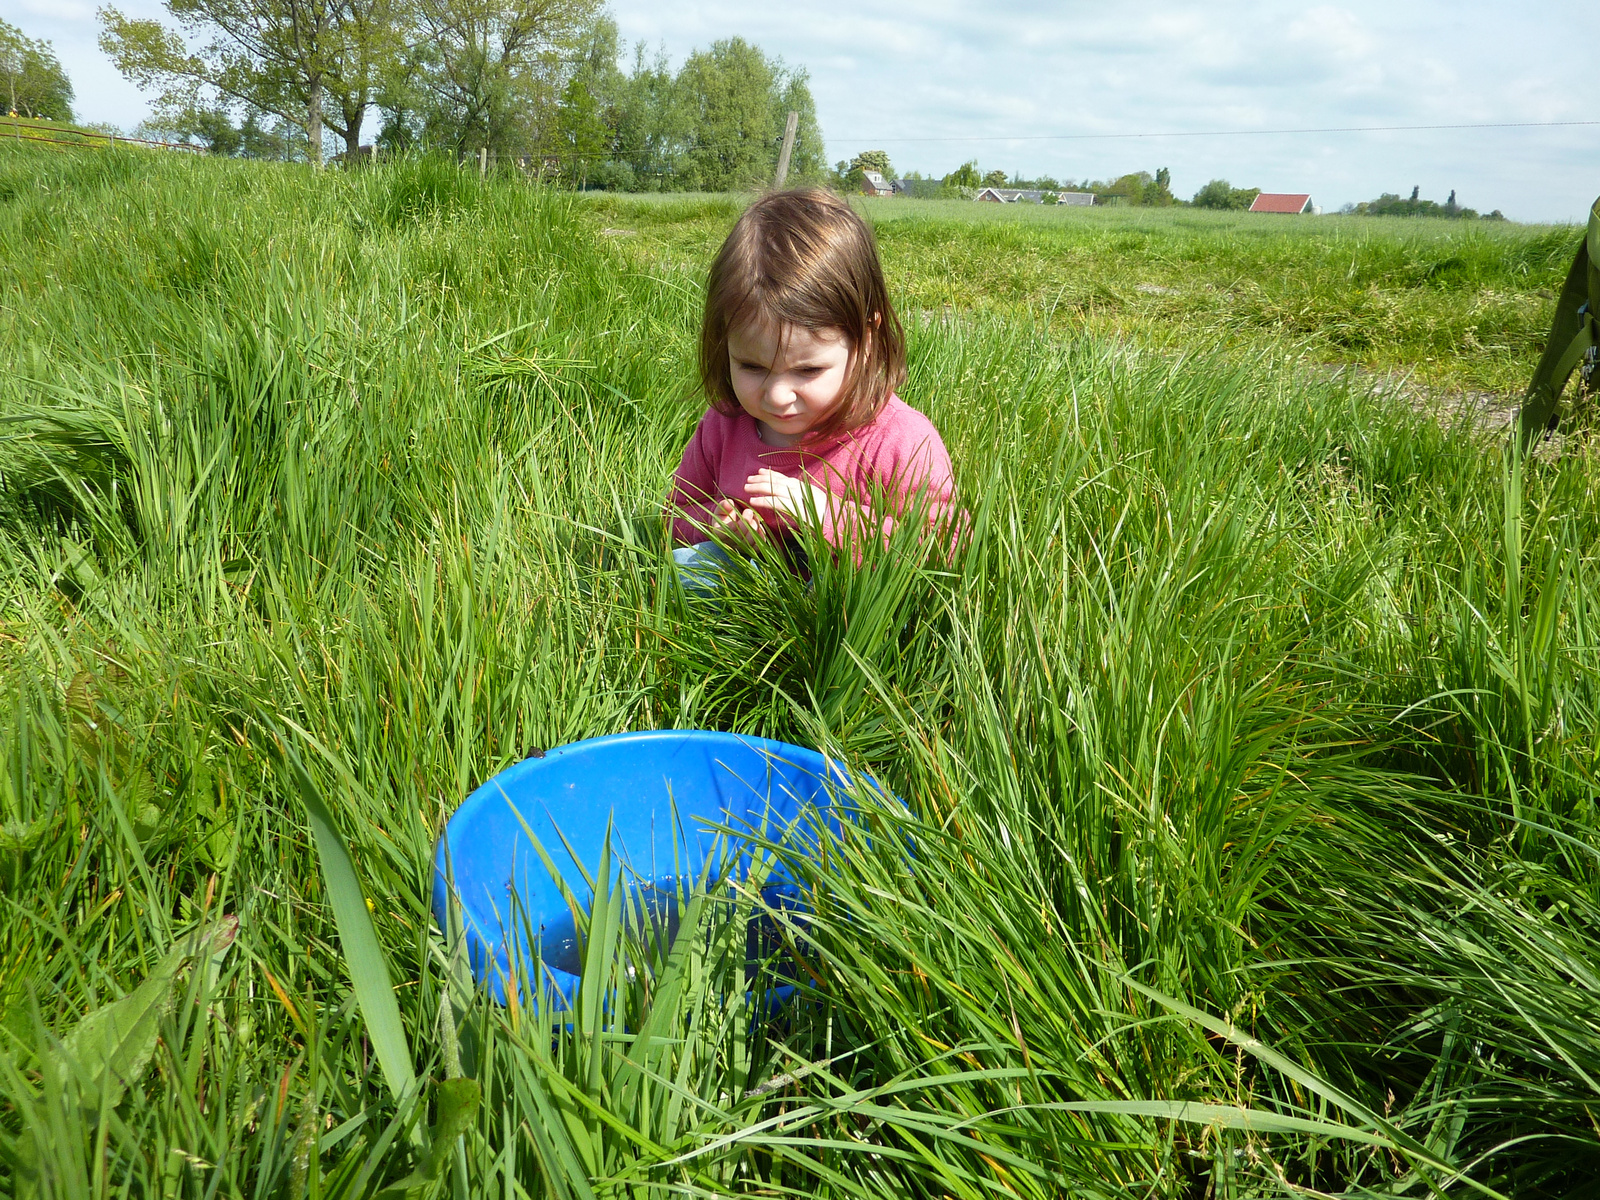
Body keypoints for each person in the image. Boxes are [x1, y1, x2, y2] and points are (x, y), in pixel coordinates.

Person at [667, 188, 956, 594]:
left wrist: (827, 516)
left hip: (844, 614)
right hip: (748, 590)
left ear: (865, 339)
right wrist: (713, 524)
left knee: (855, 593)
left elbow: (941, 547)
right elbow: (673, 515)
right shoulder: (723, 426)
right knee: (685, 570)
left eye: (808, 370)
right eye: (751, 366)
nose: (777, 396)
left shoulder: (899, 439)